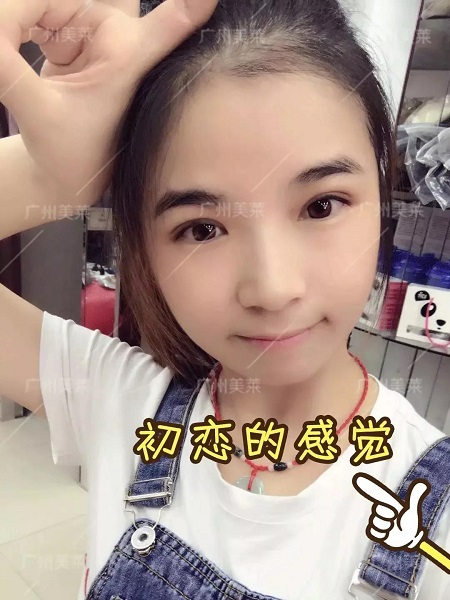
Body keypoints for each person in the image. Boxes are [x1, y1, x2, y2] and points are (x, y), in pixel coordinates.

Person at [0, 1, 449, 598]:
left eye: (321, 205)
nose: (272, 288)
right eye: (202, 228)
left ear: (383, 196)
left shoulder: (430, 514)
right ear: (144, 249)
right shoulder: (118, 399)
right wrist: (46, 176)